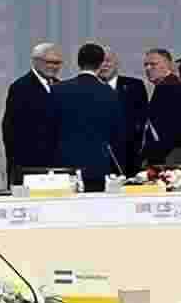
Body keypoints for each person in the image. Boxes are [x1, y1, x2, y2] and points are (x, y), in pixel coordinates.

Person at [49, 43, 126, 192]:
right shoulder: (109, 93)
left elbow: (48, 128)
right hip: (98, 165)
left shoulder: (58, 90)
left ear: (78, 62)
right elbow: (117, 133)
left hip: (63, 164)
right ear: (101, 64)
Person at [3, 41, 63, 184]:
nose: (54, 67)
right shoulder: (20, 88)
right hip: (30, 166)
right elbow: (10, 131)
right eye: (49, 62)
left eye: (57, 63)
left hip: (57, 166)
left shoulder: (61, 87)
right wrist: (17, 168)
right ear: (35, 61)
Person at [100, 50, 146, 172]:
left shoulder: (135, 85)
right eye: (100, 61)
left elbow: (142, 120)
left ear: (116, 64)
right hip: (97, 156)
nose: (104, 65)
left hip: (129, 157)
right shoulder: (88, 87)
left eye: (108, 61)